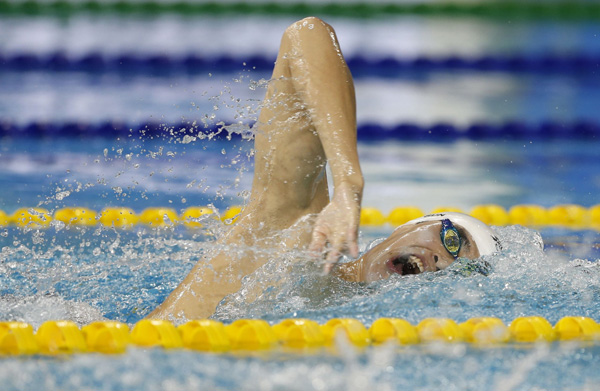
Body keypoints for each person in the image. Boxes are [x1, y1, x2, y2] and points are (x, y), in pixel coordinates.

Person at [148, 17, 500, 321]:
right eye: (453, 241)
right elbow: (307, 35)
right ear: (411, 226)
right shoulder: (297, 236)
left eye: (459, 273)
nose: (443, 263)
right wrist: (348, 183)